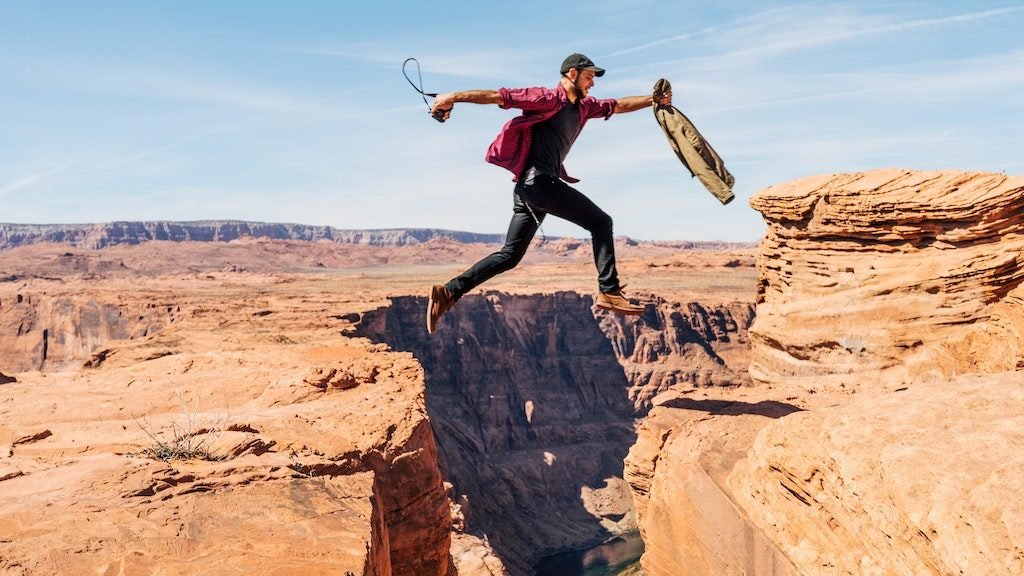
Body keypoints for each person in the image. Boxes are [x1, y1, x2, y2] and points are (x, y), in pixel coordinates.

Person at [426, 53, 672, 334]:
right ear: (572, 74)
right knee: (601, 223)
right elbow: (497, 96)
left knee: (509, 255)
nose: (592, 84)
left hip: (529, 190)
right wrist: (452, 97)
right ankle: (609, 290)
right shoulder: (546, 98)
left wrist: (653, 100)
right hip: (539, 184)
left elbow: (618, 105)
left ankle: (448, 292)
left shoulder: (584, 107)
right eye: (589, 76)